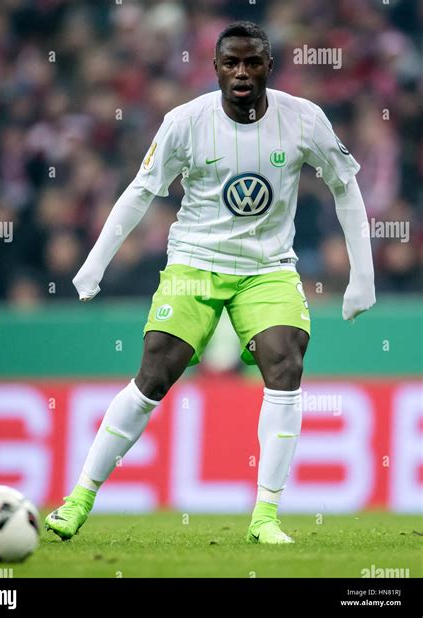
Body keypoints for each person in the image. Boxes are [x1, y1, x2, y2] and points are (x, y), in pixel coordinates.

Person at [45, 21, 375, 544]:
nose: (241, 72)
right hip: (195, 261)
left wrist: (363, 275)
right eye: (231, 63)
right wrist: (95, 262)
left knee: (285, 361)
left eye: (252, 62)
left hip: (267, 267)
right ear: (216, 67)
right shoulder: (185, 122)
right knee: (154, 370)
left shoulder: (304, 119)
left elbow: (345, 186)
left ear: (269, 65)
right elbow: (140, 191)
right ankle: (79, 497)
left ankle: (264, 517)